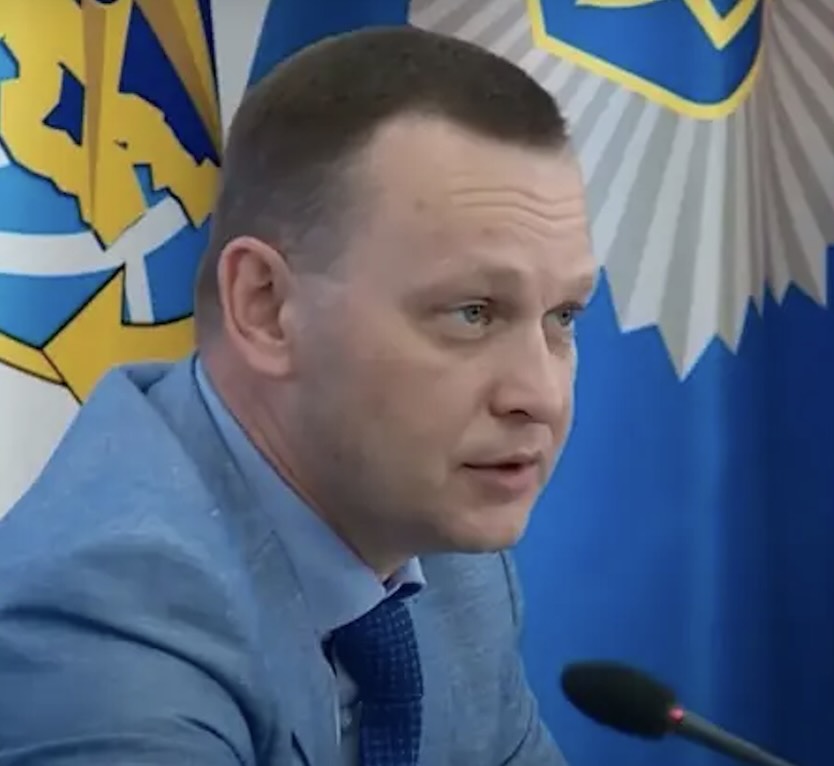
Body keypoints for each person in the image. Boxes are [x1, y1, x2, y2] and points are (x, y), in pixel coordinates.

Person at [0, 25, 595, 766]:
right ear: (266, 307)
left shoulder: (449, 567)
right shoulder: (103, 627)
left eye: (563, 317)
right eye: (472, 313)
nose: (541, 395)